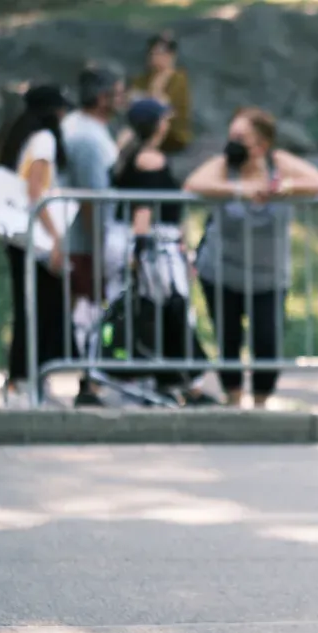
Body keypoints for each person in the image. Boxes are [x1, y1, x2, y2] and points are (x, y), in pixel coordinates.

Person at [184, 106, 318, 409]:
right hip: (222, 272)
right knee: (227, 339)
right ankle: (233, 400)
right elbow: (193, 185)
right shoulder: (225, 166)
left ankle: (261, 405)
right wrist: (241, 189)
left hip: (269, 276)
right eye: (231, 136)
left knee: (267, 340)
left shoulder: (280, 164)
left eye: (241, 137)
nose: (234, 143)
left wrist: (283, 188)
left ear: (262, 143)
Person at [103, 97, 216, 405]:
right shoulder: (150, 159)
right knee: (169, 311)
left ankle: (165, 380)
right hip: (156, 245)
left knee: (146, 312)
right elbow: (145, 207)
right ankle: (183, 382)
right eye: (163, 120)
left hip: (137, 242)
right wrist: (140, 250)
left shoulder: (128, 153)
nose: (167, 125)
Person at [0, 84, 73, 405]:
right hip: (35, 237)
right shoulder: (44, 140)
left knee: (28, 306)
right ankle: (27, 379)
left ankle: (22, 378)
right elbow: (35, 191)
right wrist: (56, 238)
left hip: (19, 236)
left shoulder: (21, 136)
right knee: (39, 308)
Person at [62, 62, 126, 406]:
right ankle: (89, 382)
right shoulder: (86, 136)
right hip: (87, 241)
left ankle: (93, 377)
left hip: (89, 238)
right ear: (103, 97)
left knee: (86, 313)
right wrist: (99, 245)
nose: (123, 99)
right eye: (118, 92)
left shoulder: (90, 129)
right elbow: (91, 198)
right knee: (88, 313)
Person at [128, 31, 191, 155]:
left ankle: (147, 152)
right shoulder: (143, 78)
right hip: (143, 129)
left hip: (171, 134)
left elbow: (164, 108)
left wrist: (159, 85)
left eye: (162, 53)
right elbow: (132, 98)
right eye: (154, 52)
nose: (157, 57)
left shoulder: (178, 79)